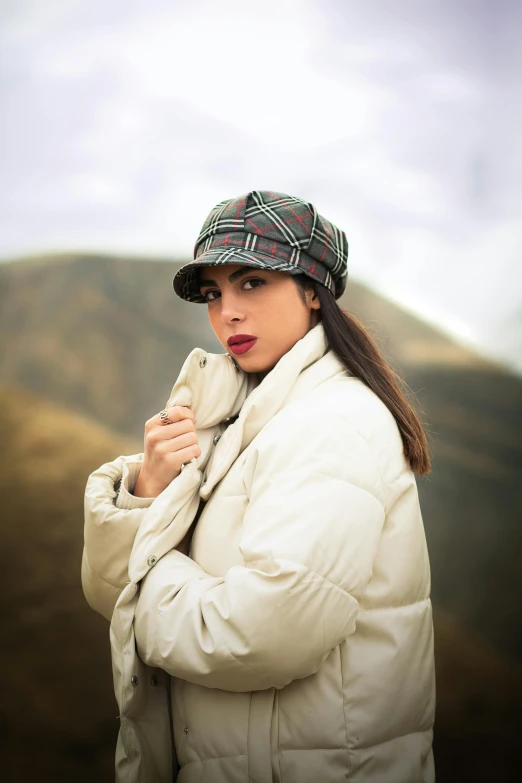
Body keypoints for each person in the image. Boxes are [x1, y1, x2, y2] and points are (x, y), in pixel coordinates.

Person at [82, 190, 436, 783]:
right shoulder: (230, 424)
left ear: (313, 291)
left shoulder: (333, 422)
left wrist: (153, 561)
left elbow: (263, 635)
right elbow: (105, 595)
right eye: (214, 293)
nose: (228, 313)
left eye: (251, 283)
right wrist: (147, 490)